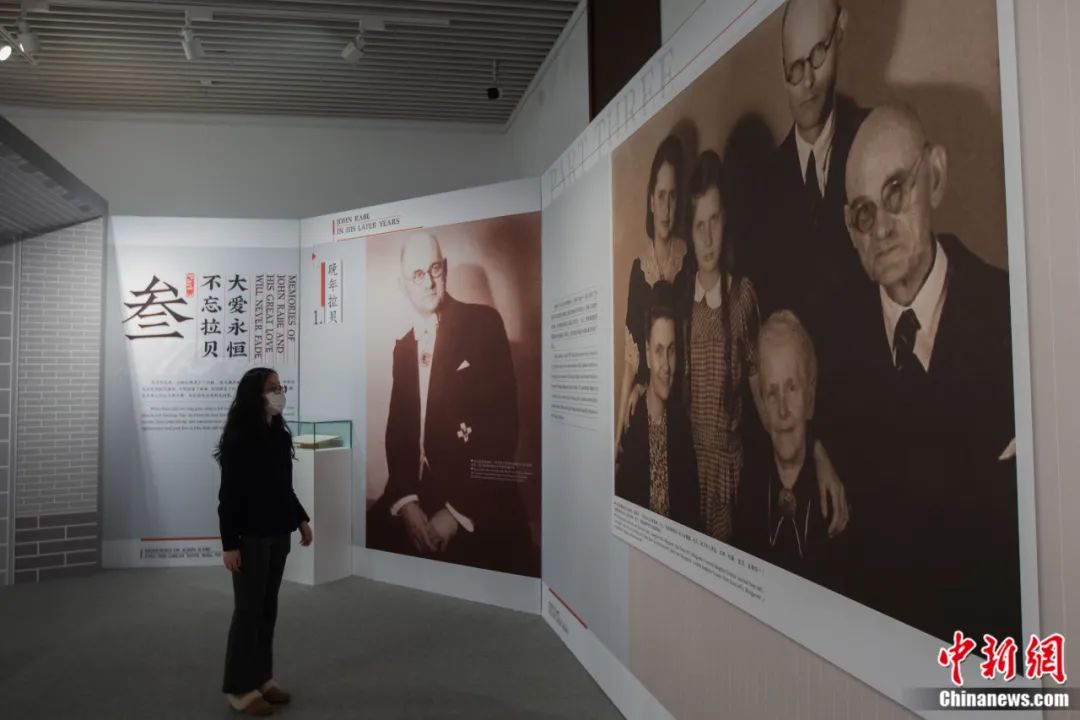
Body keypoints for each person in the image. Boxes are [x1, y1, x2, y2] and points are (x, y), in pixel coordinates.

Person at [838, 104, 1020, 643]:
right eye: (864, 212)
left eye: (896, 191)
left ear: (935, 177)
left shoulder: (1013, 313)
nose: (882, 228)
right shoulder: (836, 343)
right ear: (850, 230)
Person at [681, 150, 849, 542]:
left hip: (729, 472)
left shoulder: (742, 298)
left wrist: (817, 452)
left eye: (714, 220)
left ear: (726, 219)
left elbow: (766, 396)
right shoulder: (681, 299)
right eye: (699, 225)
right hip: (689, 467)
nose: (708, 237)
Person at [366, 231, 533, 576]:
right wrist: (407, 503)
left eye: (435, 269)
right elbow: (399, 434)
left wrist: (456, 513)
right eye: (417, 274)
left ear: (445, 268)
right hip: (418, 492)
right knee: (368, 548)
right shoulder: (403, 347)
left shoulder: (484, 323)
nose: (428, 282)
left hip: (477, 493)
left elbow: (504, 429)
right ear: (402, 284)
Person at [749, 0, 872, 438]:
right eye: (793, 68)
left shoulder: (874, 143)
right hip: (802, 435)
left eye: (817, 55)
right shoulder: (762, 188)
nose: (806, 81)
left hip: (877, 416)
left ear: (841, 32)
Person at [216, 367, 312, 717]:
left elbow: (284, 486)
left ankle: (262, 677)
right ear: (254, 394)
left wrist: (300, 518)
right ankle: (239, 688)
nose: (279, 393)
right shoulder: (240, 438)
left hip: (277, 534)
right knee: (248, 612)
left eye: (280, 387)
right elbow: (228, 497)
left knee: (267, 609)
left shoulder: (279, 435)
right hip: (250, 537)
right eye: (272, 388)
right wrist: (230, 544)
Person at [735, 311, 845, 590]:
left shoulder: (836, 505)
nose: (782, 410)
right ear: (762, 404)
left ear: (810, 395)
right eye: (772, 393)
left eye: (792, 388)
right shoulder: (749, 494)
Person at [617, 135, 690, 453]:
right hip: (649, 403)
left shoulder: (690, 261)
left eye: (673, 196)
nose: (666, 208)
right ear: (650, 201)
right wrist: (617, 434)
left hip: (685, 402)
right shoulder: (638, 270)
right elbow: (631, 361)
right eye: (661, 196)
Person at [615, 291, 701, 531]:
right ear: (647, 354)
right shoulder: (631, 424)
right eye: (659, 350)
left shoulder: (682, 426)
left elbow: (691, 515)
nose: (666, 366)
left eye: (671, 351)